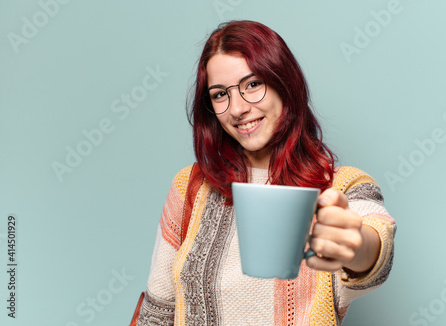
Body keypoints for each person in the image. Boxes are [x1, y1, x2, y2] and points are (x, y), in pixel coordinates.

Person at [137, 20, 396, 326]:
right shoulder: (190, 186)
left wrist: (356, 246)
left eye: (253, 84)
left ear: (284, 84)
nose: (237, 109)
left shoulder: (343, 187)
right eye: (220, 94)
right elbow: (157, 312)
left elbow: (377, 247)